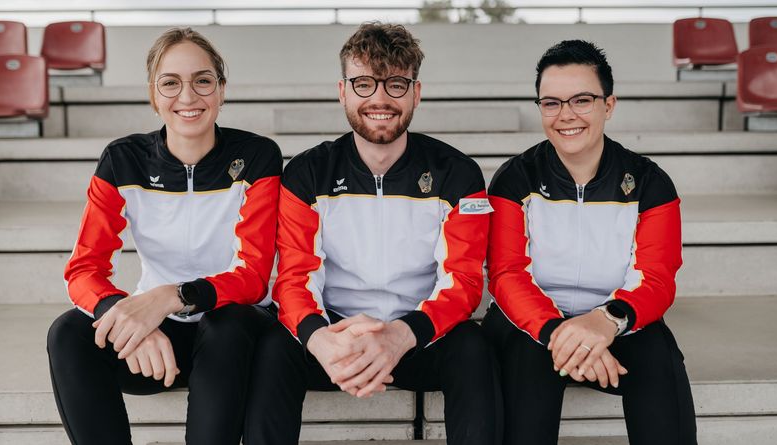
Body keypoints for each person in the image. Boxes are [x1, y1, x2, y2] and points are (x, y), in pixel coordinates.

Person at [243, 22, 499, 445]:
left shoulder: (457, 173)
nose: (379, 99)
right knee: (274, 348)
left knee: (473, 348)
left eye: (396, 84)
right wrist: (321, 340)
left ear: (416, 92)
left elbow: (465, 282)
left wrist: (400, 336)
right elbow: (294, 277)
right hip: (336, 336)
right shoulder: (308, 172)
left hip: (419, 336)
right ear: (343, 91)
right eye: (364, 84)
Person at [46, 27, 282, 445]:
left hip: (236, 334)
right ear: (154, 96)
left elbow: (253, 275)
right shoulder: (123, 160)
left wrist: (171, 296)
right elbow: (83, 269)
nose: (187, 97)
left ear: (221, 90)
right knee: (68, 333)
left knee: (227, 324)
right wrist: (127, 318)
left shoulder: (257, 157)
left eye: (202, 81)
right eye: (170, 83)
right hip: (160, 340)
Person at [483, 39, 697, 445]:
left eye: (581, 100)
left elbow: (657, 277)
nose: (566, 116)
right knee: (527, 369)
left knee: (659, 363)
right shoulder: (514, 179)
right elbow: (507, 274)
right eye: (551, 103)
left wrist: (606, 322)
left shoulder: (650, 182)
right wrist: (561, 335)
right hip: (531, 325)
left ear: (608, 105)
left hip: (617, 319)